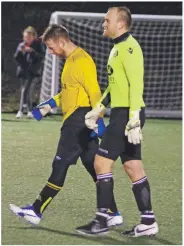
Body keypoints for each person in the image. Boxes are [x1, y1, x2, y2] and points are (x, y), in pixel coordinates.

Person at [9, 24, 123, 228]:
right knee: (93, 166)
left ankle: (36, 210)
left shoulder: (82, 60)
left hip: (78, 121)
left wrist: (98, 118)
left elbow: (95, 92)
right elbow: (70, 91)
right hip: (79, 119)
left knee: (59, 165)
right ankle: (112, 212)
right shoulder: (71, 61)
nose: (51, 53)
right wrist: (50, 104)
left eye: (52, 48)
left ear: (62, 41)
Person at [76, 7, 159, 237]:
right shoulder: (117, 48)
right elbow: (115, 86)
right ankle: (148, 221)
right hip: (123, 113)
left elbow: (136, 85)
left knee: (101, 163)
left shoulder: (130, 48)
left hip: (126, 115)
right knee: (133, 167)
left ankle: (102, 220)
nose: (103, 23)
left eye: (107, 20)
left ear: (120, 24)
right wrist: (99, 109)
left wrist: (133, 119)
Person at [14, 26, 45, 119]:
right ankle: (30, 111)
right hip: (23, 72)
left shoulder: (38, 45)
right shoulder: (21, 45)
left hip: (33, 72)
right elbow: (16, 58)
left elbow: (41, 57)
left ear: (34, 37)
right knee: (27, 91)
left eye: (29, 37)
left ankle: (20, 111)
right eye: (25, 37)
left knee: (26, 89)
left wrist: (32, 52)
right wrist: (20, 52)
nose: (27, 39)